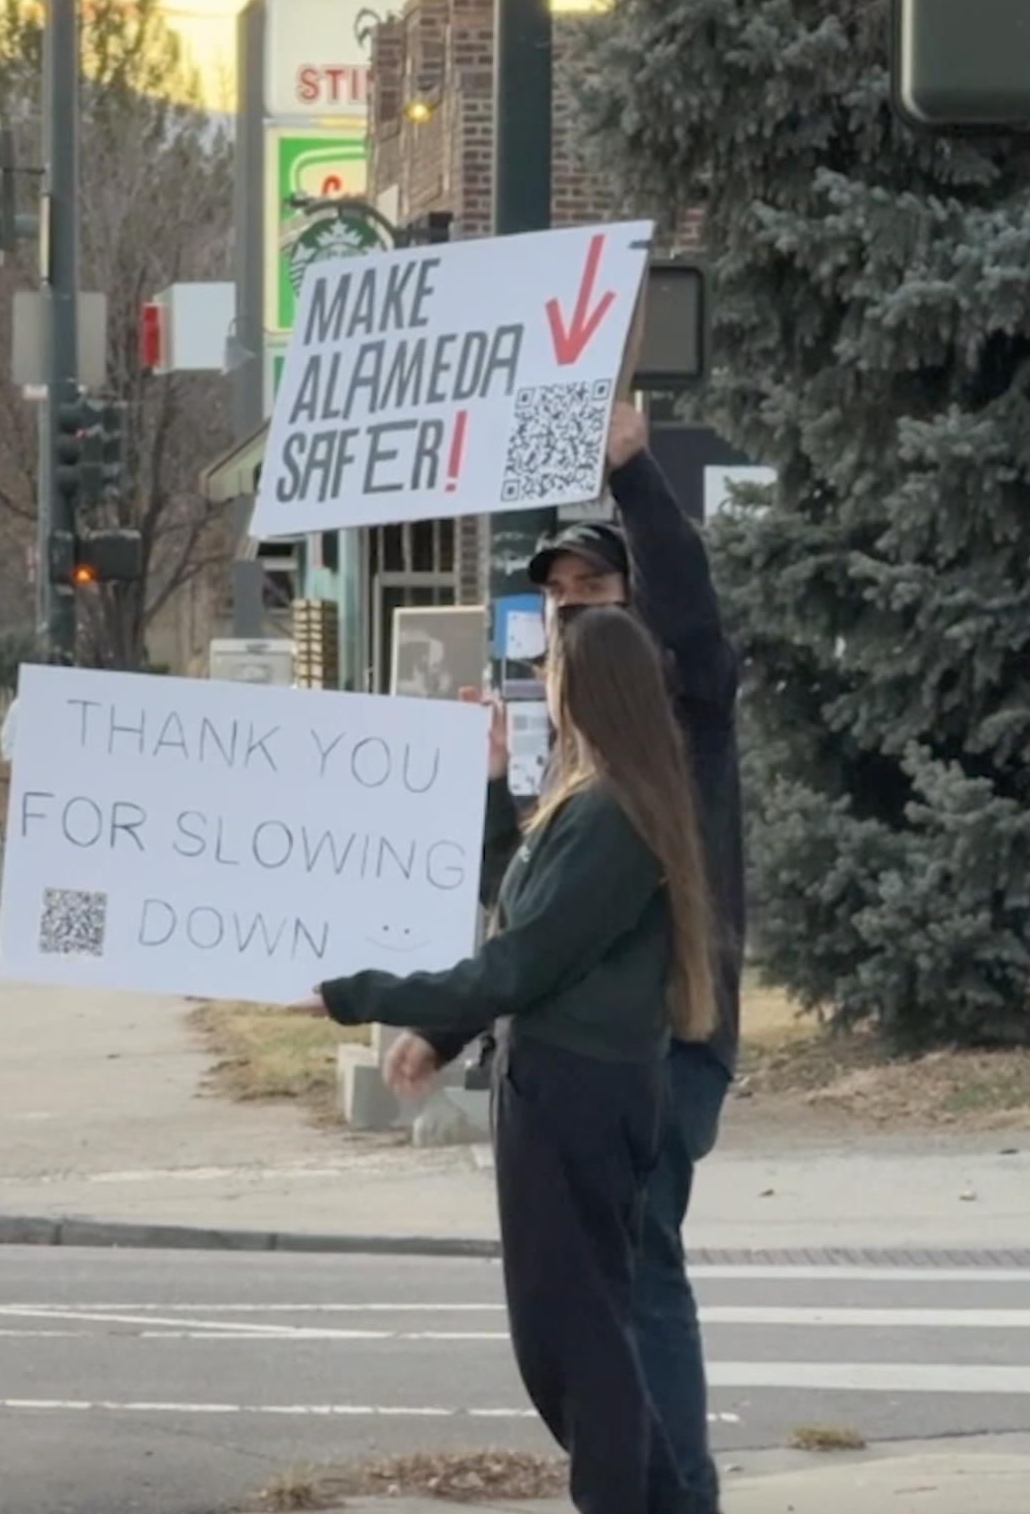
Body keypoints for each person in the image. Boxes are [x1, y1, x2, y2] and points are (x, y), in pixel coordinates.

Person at [400, 400, 745, 1513]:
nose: (564, 616)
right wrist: (493, 795)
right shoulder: (576, 745)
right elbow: (532, 918)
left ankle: (670, 1496)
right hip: (576, 1060)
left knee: (634, 1278)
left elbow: (691, 622)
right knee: (598, 1296)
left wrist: (635, 473)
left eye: (589, 595)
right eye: (554, 599)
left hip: (659, 1045)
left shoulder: (683, 708)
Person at [304, 605, 721, 1514]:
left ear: (590, 689)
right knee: (571, 1333)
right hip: (563, 1084)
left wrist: (357, 994)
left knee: (579, 1336)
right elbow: (525, 918)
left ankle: (639, 1498)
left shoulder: (614, 817)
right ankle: (649, 1495)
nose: (544, 690)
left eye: (554, 674)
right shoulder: (597, 801)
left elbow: (519, 964)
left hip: (576, 1091)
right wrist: (495, 788)